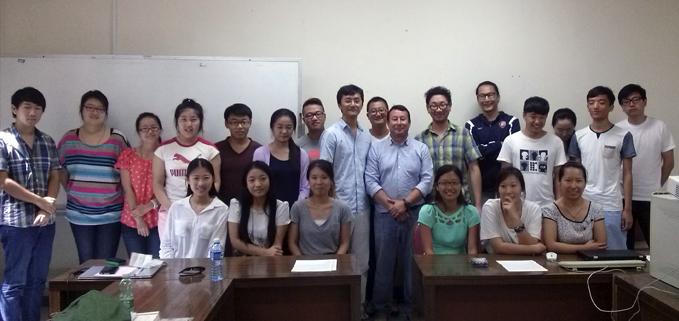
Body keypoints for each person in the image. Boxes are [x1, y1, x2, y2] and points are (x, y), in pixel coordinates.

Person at [365, 105, 433, 320]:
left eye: (403, 118)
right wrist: (392, 206)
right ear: (388, 122)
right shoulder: (376, 149)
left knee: (412, 263)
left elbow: (427, 180)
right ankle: (381, 308)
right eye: (394, 119)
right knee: (383, 263)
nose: (398, 122)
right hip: (385, 214)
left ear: (409, 122)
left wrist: (405, 203)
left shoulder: (420, 148)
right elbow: (370, 180)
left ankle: (412, 309)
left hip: (414, 213)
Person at [0, 87, 60, 321]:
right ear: (14, 109)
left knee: (37, 282)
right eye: (27, 107)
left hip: (46, 223)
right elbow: (3, 181)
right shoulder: (3, 139)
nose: (32, 112)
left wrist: (49, 205)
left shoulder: (47, 141)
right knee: (15, 283)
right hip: (16, 224)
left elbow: (55, 175)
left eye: (37, 108)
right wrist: (40, 202)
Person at [58, 90, 130, 264]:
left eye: (100, 108)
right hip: (79, 213)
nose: (94, 112)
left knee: (106, 264)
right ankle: (87, 293)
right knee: (86, 263)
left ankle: (102, 293)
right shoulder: (69, 138)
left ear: (106, 113)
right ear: (81, 110)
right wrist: (71, 190)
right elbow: (60, 170)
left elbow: (128, 171)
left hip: (111, 212)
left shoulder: (117, 138)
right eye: (89, 107)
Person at [319, 84, 372, 311]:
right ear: (339, 104)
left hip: (362, 208)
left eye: (357, 100)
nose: (353, 104)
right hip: (338, 208)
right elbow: (324, 172)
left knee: (362, 262)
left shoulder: (365, 135)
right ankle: (334, 308)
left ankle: (357, 309)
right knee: (336, 259)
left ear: (362, 103)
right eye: (348, 100)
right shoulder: (331, 134)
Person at [569, 86, 635, 250]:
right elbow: (574, 175)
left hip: (612, 204)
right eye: (591, 103)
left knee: (614, 252)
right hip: (583, 203)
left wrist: (627, 209)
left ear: (611, 107)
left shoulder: (623, 136)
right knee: (584, 251)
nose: (596, 106)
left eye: (601, 102)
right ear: (588, 107)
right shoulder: (579, 136)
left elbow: (627, 174)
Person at [616, 84, 675, 249]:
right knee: (625, 247)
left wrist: (657, 184)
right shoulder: (618, 129)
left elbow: (669, 162)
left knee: (657, 245)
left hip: (650, 196)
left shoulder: (659, 127)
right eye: (626, 102)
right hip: (622, 196)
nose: (631, 104)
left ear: (645, 101)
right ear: (622, 107)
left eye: (636, 100)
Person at [153, 98, 221, 237]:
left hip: (201, 211)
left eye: (193, 119)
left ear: (200, 122)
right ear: (177, 122)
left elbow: (216, 182)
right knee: (170, 256)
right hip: (170, 211)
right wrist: (171, 209)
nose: (188, 124)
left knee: (199, 256)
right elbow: (157, 184)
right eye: (183, 119)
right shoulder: (163, 149)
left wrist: (202, 206)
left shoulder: (210, 150)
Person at [415, 86, 483, 212]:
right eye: (434, 105)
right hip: (431, 205)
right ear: (427, 108)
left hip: (461, 203)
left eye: (442, 105)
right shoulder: (419, 139)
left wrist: (478, 205)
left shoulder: (463, 134)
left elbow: (474, 168)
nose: (438, 109)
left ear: (450, 106)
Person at [497, 96, 567, 208]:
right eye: (533, 117)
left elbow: (559, 177)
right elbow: (504, 177)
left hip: (547, 205)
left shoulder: (556, 142)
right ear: (524, 115)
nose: (537, 121)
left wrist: (559, 203)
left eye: (542, 117)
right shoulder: (511, 141)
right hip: (517, 205)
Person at [115, 113, 163, 258]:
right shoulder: (128, 155)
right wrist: (138, 218)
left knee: (158, 266)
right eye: (144, 128)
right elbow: (127, 189)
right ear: (138, 132)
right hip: (132, 220)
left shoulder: (166, 154)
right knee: (137, 269)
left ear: (160, 130)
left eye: (154, 127)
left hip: (159, 219)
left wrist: (150, 206)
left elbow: (169, 188)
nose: (150, 131)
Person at [159, 158, 228, 258]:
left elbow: (217, 248)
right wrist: (173, 269)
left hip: (205, 270)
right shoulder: (177, 208)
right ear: (188, 180)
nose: (201, 183)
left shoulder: (221, 209)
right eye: (196, 178)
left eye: (206, 178)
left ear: (213, 179)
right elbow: (166, 245)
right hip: (176, 270)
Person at [465, 81, 520, 203]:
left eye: (490, 95)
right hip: (483, 189)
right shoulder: (471, 125)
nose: (486, 99)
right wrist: (500, 144)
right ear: (478, 99)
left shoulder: (512, 122)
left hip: (509, 187)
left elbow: (511, 151)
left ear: (498, 97)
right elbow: (474, 153)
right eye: (482, 96)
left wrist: (485, 149)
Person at [288, 160, 352, 255]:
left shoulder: (343, 209)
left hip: (333, 263)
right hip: (304, 263)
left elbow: (344, 243)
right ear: (308, 181)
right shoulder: (298, 207)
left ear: (331, 181)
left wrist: (335, 262)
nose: (319, 182)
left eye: (324, 177)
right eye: (314, 178)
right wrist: (302, 263)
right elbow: (292, 243)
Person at [227, 161, 290, 256]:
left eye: (263, 179)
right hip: (242, 261)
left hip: (271, 261)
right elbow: (235, 242)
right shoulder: (236, 204)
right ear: (246, 184)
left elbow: (277, 246)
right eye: (252, 180)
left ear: (270, 180)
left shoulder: (281, 207)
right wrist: (265, 252)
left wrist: (268, 254)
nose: (258, 184)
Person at [542, 162, 607, 253]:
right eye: (568, 180)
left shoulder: (596, 209)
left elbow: (601, 244)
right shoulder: (550, 211)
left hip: (590, 262)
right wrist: (585, 248)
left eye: (579, 181)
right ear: (559, 182)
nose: (573, 186)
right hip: (559, 262)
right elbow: (550, 245)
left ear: (585, 183)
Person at [480, 167, 545, 255]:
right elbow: (498, 247)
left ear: (521, 188)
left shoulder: (534, 209)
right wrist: (534, 249)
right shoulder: (490, 207)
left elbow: (530, 243)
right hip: (494, 261)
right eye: (503, 186)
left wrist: (515, 217)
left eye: (513, 186)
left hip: (525, 262)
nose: (508, 191)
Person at [253, 108, 310, 207]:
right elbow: (257, 183)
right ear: (272, 127)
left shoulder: (301, 154)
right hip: (268, 209)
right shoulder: (260, 153)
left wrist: (296, 208)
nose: (284, 131)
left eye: (288, 127)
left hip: (296, 209)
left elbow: (305, 186)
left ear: (293, 129)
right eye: (279, 127)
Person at [418, 165, 480, 254]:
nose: (450, 187)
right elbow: (428, 251)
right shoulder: (427, 212)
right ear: (436, 186)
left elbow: (472, 250)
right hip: (433, 264)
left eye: (454, 183)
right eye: (444, 183)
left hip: (462, 264)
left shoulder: (471, 212)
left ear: (461, 185)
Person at [215, 103, 262, 205]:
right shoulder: (216, 149)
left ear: (250, 123)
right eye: (234, 122)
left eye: (244, 122)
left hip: (251, 206)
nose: (240, 126)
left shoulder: (259, 150)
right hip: (222, 206)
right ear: (226, 124)